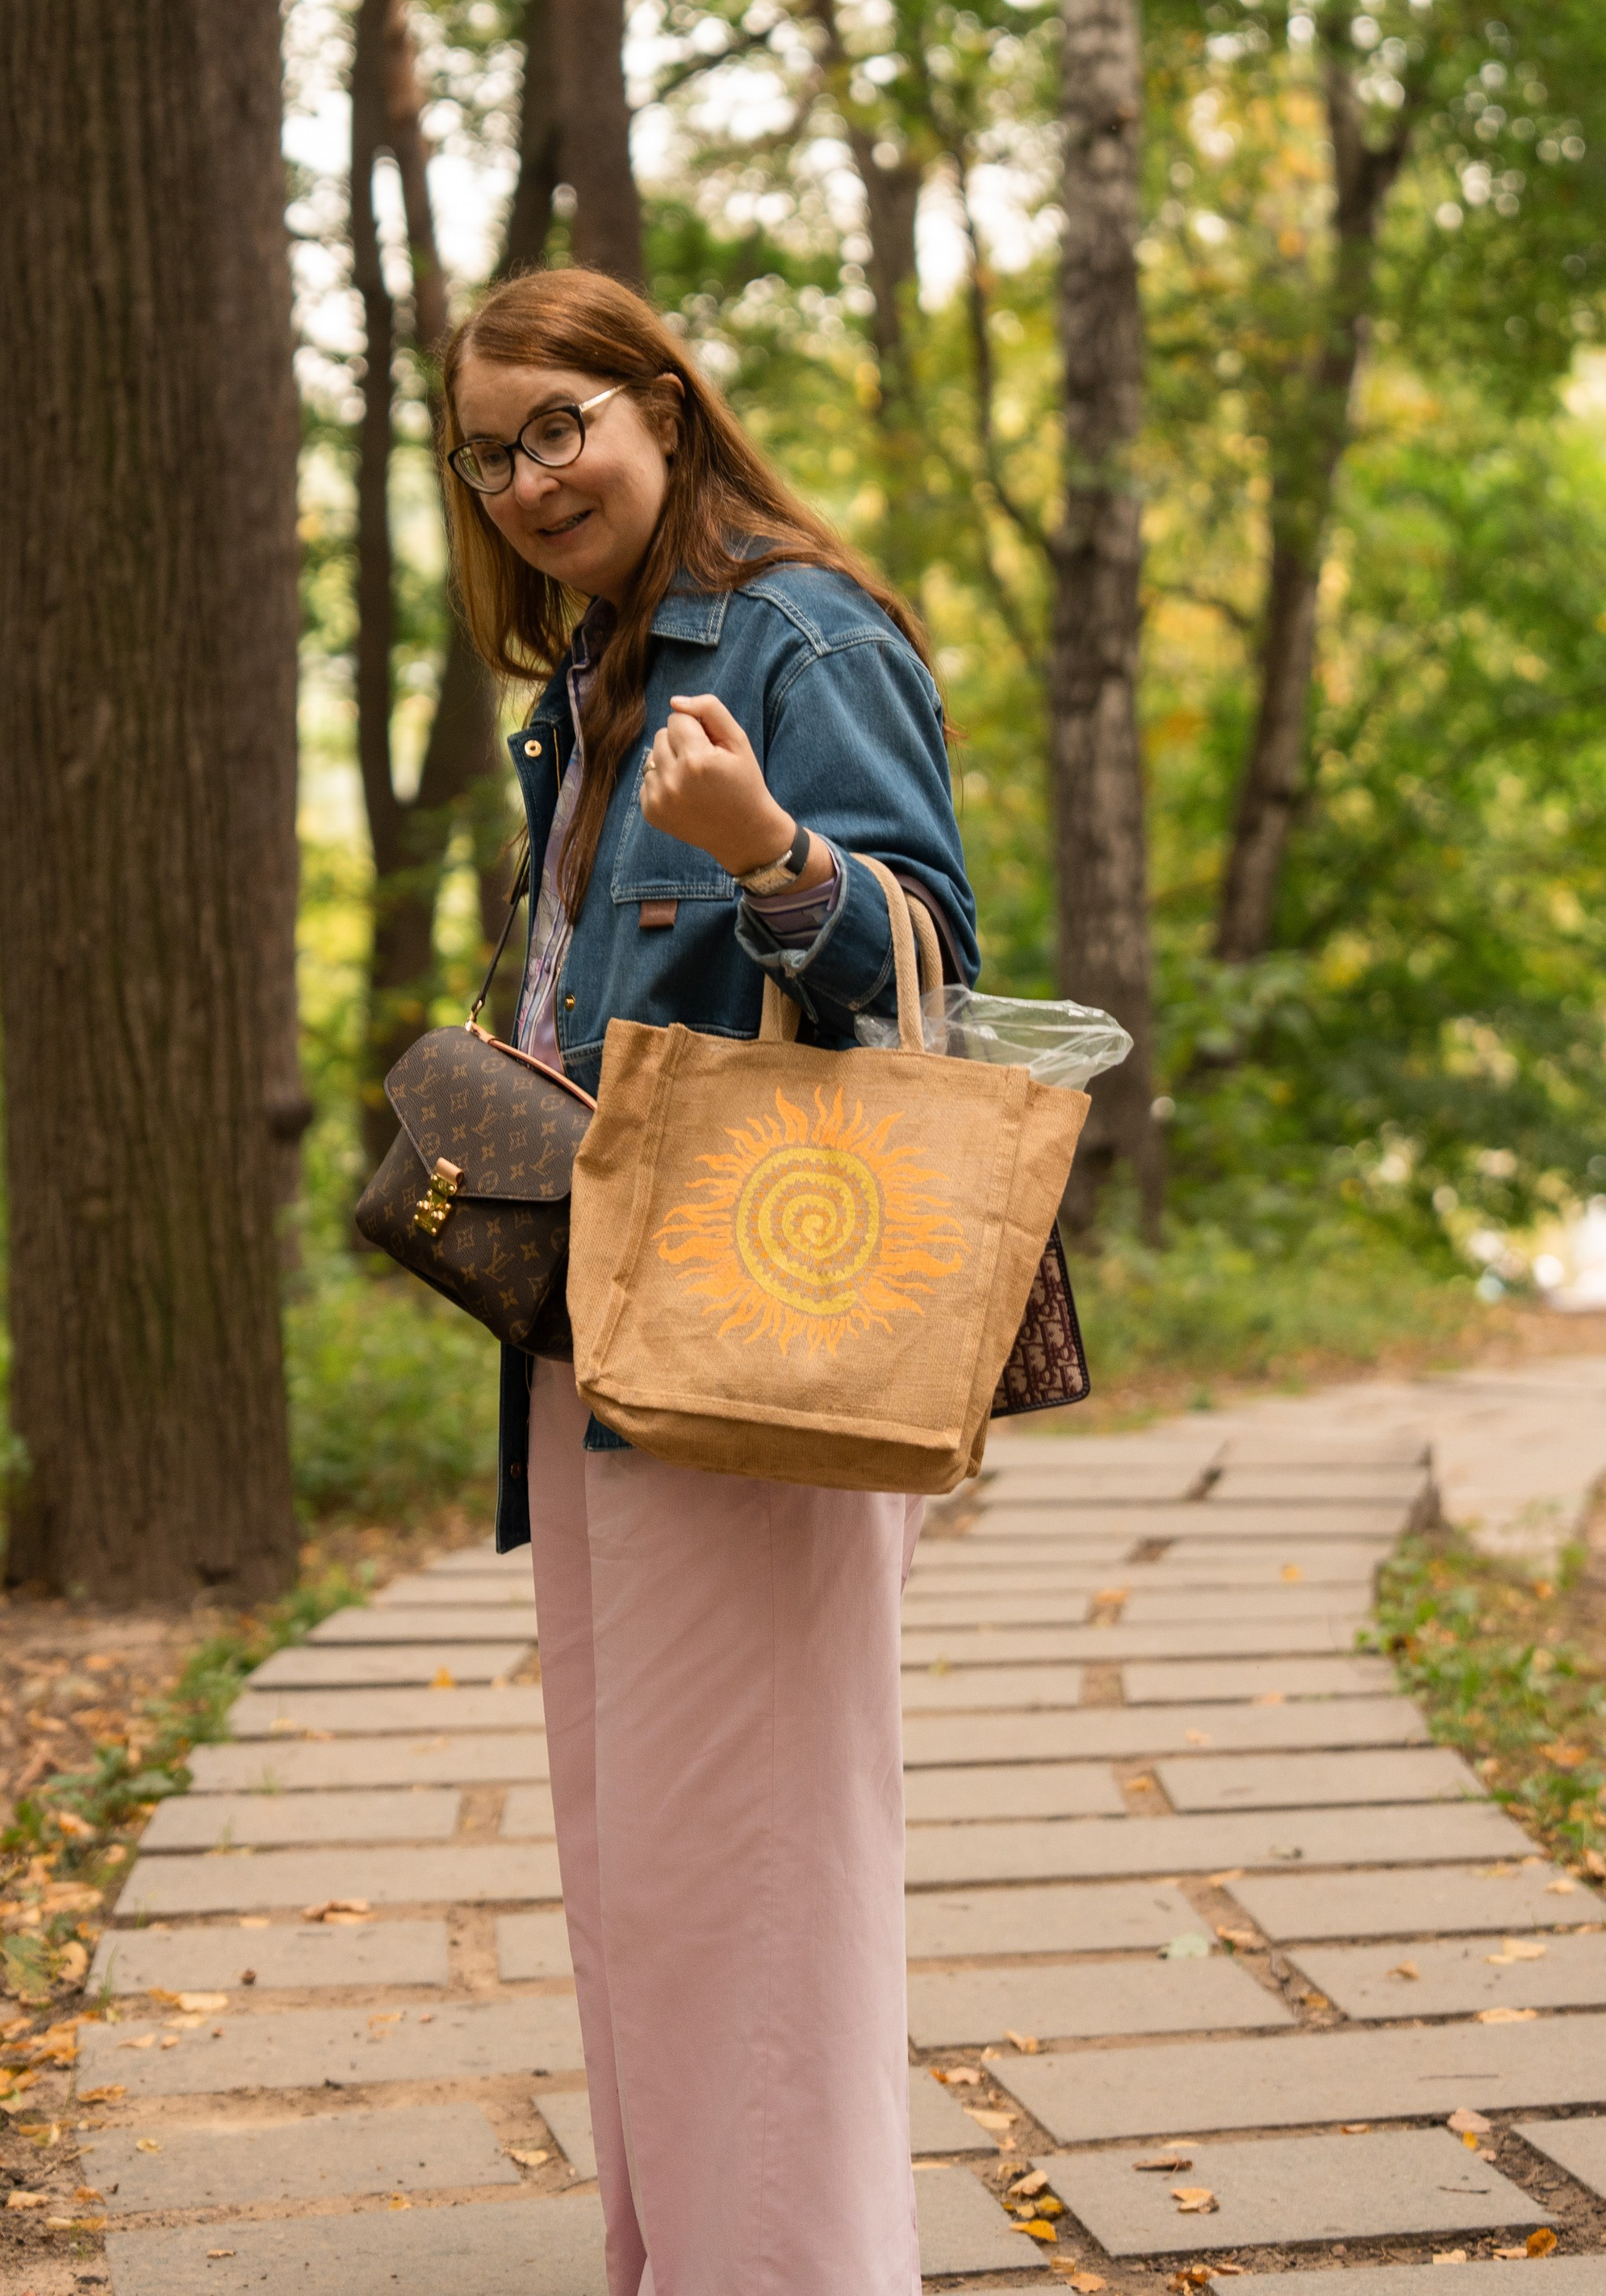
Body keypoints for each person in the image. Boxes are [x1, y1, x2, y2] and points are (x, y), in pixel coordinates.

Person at [441, 265, 978, 2296]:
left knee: (753, 1873)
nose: (525, 481)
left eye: (555, 428)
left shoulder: (800, 635)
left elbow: (926, 976)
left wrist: (770, 853)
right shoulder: (593, 675)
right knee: (649, 1872)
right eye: (485, 455)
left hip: (766, 1327)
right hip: (606, 1331)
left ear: (659, 406)